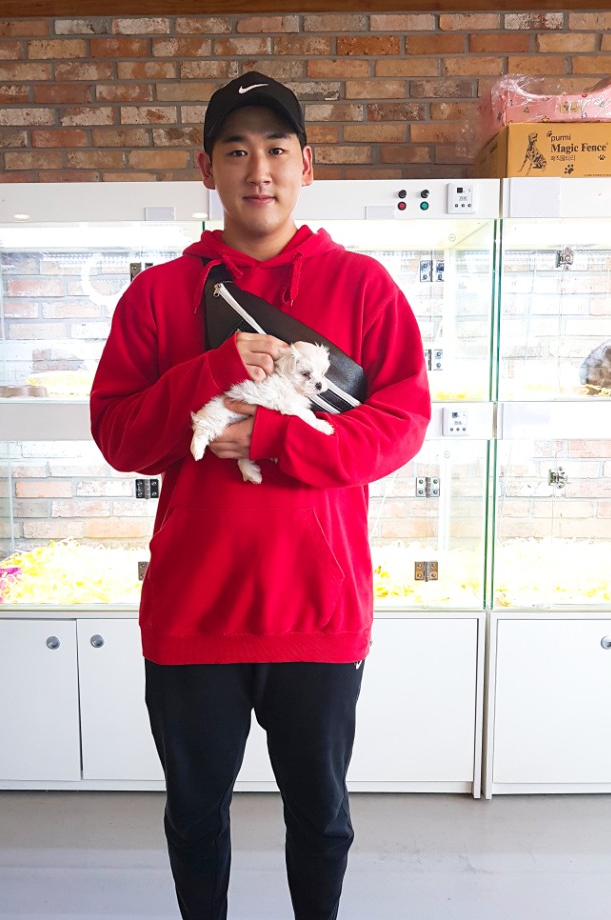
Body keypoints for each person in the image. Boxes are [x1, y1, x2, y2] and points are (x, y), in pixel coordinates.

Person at [90, 71, 431, 920]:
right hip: (193, 610)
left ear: (306, 164)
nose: (259, 170)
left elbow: (399, 429)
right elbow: (119, 437)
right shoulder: (157, 295)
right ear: (206, 168)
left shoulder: (364, 288)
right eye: (236, 151)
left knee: (321, 817)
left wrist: (274, 440)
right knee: (194, 816)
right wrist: (211, 369)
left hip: (317, 609)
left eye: (276, 149)